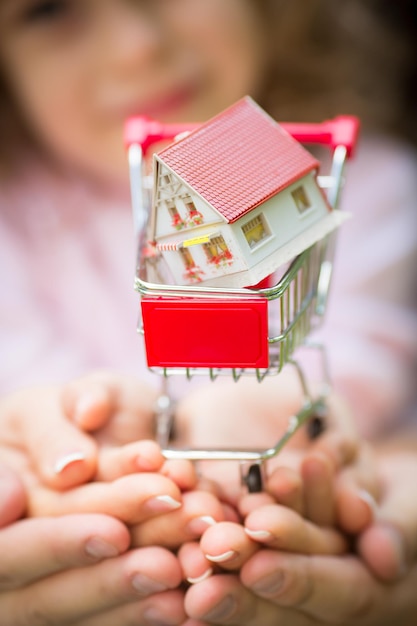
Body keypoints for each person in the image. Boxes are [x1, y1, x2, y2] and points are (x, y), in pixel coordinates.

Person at [0, 0, 416, 623]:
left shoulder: (356, 182)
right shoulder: (13, 221)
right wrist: (92, 442)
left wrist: (250, 414)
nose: (135, 45)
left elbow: (364, 351)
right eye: (49, 11)